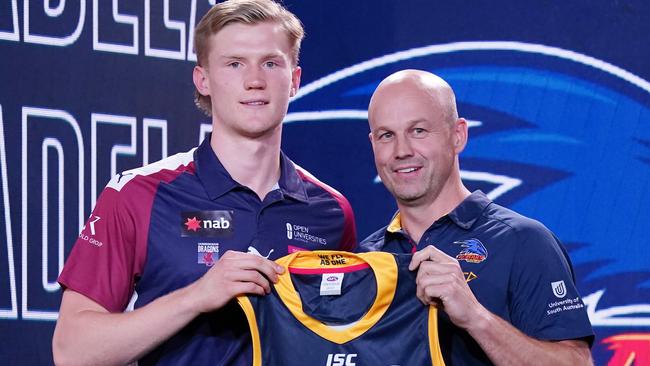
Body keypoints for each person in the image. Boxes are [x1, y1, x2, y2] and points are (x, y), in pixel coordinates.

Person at [52, 1, 356, 365]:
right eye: (234, 63)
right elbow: (72, 352)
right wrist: (196, 296)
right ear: (203, 80)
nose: (254, 80)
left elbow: (346, 343)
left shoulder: (332, 211)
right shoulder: (138, 195)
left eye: (271, 63)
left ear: (294, 80)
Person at [359, 69, 594, 365]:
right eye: (386, 135)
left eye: (418, 131)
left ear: (458, 135)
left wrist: (475, 317)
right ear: (373, 144)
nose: (402, 150)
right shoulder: (366, 259)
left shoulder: (523, 242)